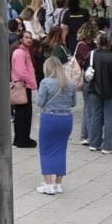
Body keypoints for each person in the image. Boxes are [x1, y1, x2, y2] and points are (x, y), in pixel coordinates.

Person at [35, 55, 76, 195]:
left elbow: (40, 102)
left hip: (50, 118)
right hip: (66, 119)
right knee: (61, 150)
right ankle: (58, 184)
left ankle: (48, 183)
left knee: (46, 150)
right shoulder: (70, 83)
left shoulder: (45, 82)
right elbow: (73, 103)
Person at [83, 32, 112, 154]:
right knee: (109, 118)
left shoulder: (92, 55)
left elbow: (85, 69)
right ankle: (107, 146)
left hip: (95, 89)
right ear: (110, 43)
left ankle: (94, 143)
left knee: (95, 116)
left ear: (98, 42)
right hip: (111, 91)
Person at [11, 32, 38, 148]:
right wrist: (32, 83)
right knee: (23, 114)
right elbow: (21, 71)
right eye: (26, 37)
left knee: (23, 114)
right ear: (21, 39)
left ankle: (21, 138)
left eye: (30, 37)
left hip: (24, 85)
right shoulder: (20, 52)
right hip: (23, 85)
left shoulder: (24, 51)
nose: (29, 39)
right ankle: (23, 139)